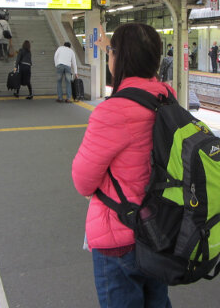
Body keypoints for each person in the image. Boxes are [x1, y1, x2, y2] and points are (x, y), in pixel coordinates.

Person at [72, 22, 173, 308]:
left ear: (119, 58)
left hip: (119, 235)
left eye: (111, 53)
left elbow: (83, 182)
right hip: (160, 228)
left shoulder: (112, 111)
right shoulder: (166, 96)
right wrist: (110, 46)